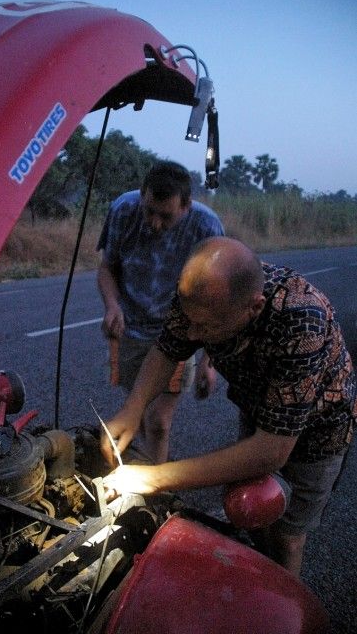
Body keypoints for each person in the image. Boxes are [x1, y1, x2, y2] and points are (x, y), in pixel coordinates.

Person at [101, 236, 356, 577]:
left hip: (320, 429)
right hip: (260, 405)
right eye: (190, 319)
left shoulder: (300, 320)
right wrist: (133, 408)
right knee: (249, 508)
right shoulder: (200, 295)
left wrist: (157, 478)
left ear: (253, 307)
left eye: (205, 327)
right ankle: (250, 571)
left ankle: (280, 609)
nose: (192, 332)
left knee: (287, 533)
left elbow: (271, 450)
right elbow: (167, 348)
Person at [97, 161, 224, 463]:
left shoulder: (207, 227)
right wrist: (112, 306)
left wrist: (209, 360)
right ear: (141, 196)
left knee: (158, 421)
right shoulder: (122, 210)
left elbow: (219, 299)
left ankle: (157, 493)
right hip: (131, 330)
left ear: (186, 206)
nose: (154, 223)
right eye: (149, 211)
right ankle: (148, 470)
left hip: (179, 333)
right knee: (137, 414)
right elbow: (106, 269)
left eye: (165, 216)